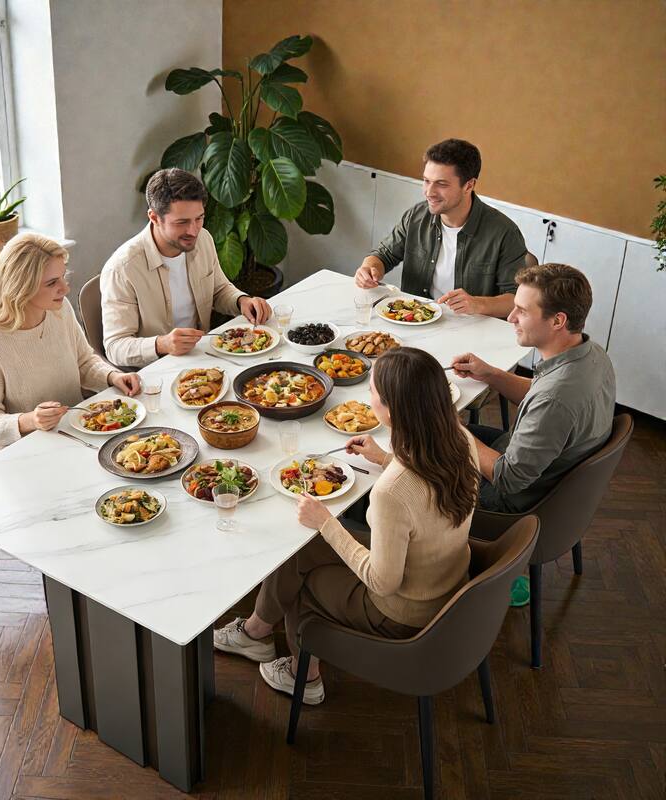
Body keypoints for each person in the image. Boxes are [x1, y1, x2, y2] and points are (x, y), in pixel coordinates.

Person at [213, 348, 480, 705]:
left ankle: (303, 676)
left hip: (403, 611)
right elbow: (425, 496)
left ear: (391, 409)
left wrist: (326, 522)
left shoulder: (391, 493)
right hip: (446, 580)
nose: (367, 398)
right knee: (299, 548)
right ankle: (255, 631)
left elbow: (383, 582)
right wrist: (383, 458)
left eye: (371, 392)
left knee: (303, 583)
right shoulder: (459, 438)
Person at [452, 263, 615, 513]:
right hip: (532, 466)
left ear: (558, 321)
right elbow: (541, 394)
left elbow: (507, 477)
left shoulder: (555, 399)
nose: (510, 318)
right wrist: (491, 374)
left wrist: (451, 427)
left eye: (523, 311)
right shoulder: (591, 354)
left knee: (411, 451)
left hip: (504, 500)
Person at [0, 233, 140, 458]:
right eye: (52, 283)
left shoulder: (59, 309)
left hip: (73, 434)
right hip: (19, 453)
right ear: (21, 287)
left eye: (63, 277)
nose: (65, 289)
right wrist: (30, 420)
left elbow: (84, 361)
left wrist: (112, 377)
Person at [101, 168, 272, 367]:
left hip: (205, 357)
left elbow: (219, 290)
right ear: (154, 217)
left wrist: (241, 301)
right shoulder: (122, 269)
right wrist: (161, 344)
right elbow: (115, 347)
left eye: (199, 218)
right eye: (181, 222)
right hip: (157, 371)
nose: (193, 231)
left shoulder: (203, 239)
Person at [355, 138, 528, 319]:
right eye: (426, 181)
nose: (429, 192)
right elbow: (383, 255)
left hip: (472, 329)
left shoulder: (504, 233)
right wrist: (369, 268)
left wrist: (477, 303)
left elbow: (517, 300)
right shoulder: (416, 216)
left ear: (469, 185)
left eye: (441, 184)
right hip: (414, 321)